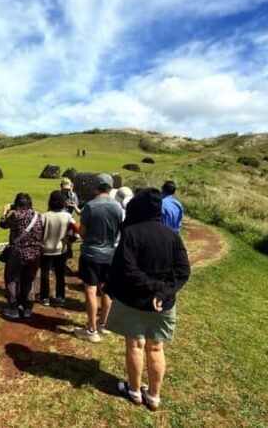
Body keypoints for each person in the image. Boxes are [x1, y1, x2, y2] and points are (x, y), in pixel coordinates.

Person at [105, 188, 191, 411]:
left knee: (135, 345)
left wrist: (154, 287)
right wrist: (163, 291)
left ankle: (134, 391)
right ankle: (153, 396)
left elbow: (127, 268)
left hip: (133, 299)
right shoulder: (172, 235)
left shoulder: (131, 233)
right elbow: (183, 271)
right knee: (156, 348)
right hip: (162, 302)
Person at [74, 174, 123, 343]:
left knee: (91, 290)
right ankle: (103, 323)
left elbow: (82, 232)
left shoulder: (90, 206)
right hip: (110, 254)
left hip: (91, 253)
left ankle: (91, 329)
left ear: (96, 186)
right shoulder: (117, 207)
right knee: (106, 290)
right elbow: (119, 231)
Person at [0, 193, 44, 319]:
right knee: (30, 280)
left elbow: (2, 224)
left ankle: (13, 309)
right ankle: (27, 309)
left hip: (17, 253)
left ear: (16, 204)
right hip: (35, 253)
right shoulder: (39, 216)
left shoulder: (15, 215)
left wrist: (5, 212)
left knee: (12, 280)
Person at [37, 191, 76, 307]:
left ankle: (44, 297)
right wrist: (68, 241)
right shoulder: (68, 216)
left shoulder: (43, 216)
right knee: (60, 274)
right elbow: (76, 232)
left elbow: (38, 232)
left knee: (45, 274)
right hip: (61, 249)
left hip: (45, 250)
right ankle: (60, 297)